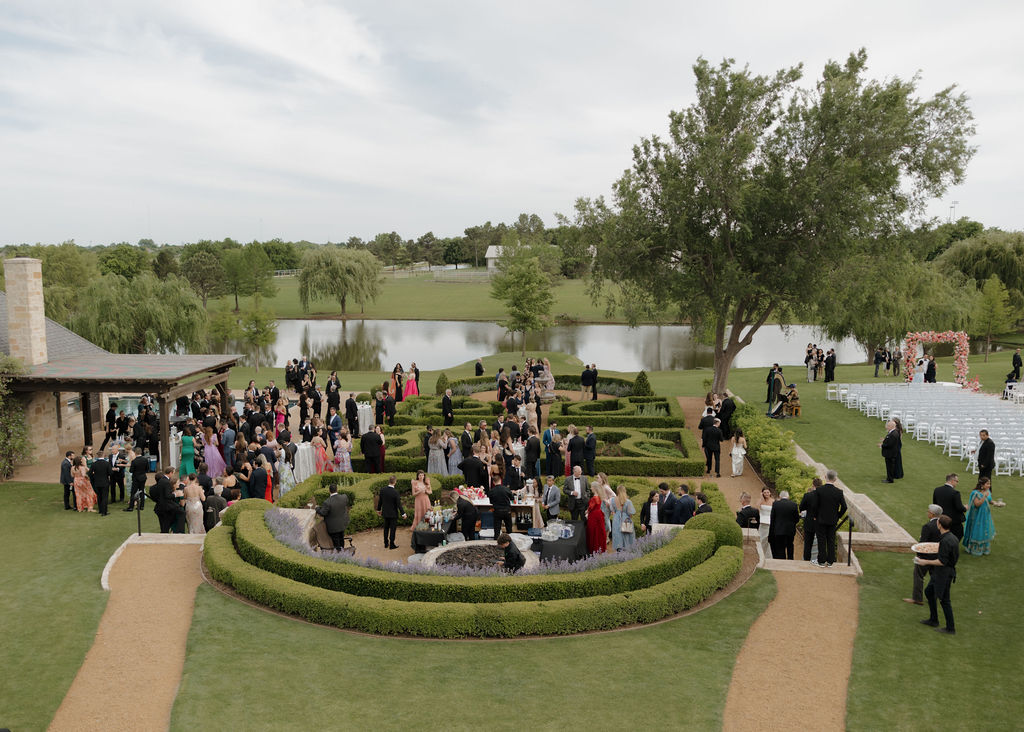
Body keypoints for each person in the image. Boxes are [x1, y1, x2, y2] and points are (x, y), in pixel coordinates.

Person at [917, 515, 959, 634]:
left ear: (939, 525)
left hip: (944, 574)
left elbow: (942, 561)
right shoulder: (952, 538)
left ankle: (950, 628)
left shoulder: (946, 541)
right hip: (941, 572)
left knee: (945, 600)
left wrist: (925, 561)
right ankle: (933, 619)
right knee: (929, 592)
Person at [904, 504, 942, 606]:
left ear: (932, 514)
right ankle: (935, 596)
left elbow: (922, 543)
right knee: (934, 576)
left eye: (928, 511)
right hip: (938, 556)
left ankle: (917, 598)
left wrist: (918, 556)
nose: (927, 513)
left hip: (925, 557)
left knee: (918, 576)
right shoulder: (943, 525)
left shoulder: (927, 526)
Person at [812, 469, 847, 567]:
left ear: (825, 477)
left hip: (820, 520)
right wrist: (838, 516)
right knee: (831, 540)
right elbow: (844, 507)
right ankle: (831, 561)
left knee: (821, 540)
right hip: (832, 520)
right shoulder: (839, 492)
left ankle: (822, 561)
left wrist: (815, 516)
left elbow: (814, 505)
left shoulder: (819, 490)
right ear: (835, 479)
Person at [962, 477, 996, 556]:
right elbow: (977, 504)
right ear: (981, 485)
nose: (989, 485)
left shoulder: (987, 491)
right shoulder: (975, 493)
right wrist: (984, 496)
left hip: (985, 515)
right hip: (976, 516)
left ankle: (983, 548)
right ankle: (974, 549)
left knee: (984, 529)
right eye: (987, 484)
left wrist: (996, 503)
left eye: (989, 483)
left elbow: (990, 500)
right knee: (977, 530)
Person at [932, 473, 967, 541]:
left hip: (941, 518)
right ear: (952, 481)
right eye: (957, 481)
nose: (957, 483)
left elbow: (935, 504)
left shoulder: (937, 490)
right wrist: (965, 508)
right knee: (958, 535)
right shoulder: (955, 493)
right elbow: (959, 507)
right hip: (953, 520)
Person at [317, 484, 351, 550]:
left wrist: (317, 508)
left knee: (336, 543)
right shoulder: (344, 497)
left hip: (333, 527)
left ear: (329, 491)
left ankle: (339, 555)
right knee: (341, 539)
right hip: (342, 524)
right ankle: (342, 552)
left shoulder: (327, 502)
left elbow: (323, 513)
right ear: (337, 489)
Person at [769, 490, 800, 560]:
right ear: (788, 496)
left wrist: (772, 531)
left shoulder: (775, 504)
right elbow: (797, 519)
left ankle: (782, 561)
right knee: (790, 546)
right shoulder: (794, 505)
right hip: (790, 530)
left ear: (780, 496)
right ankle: (790, 560)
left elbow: (772, 518)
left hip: (779, 530)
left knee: (780, 547)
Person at [375, 476, 404, 549]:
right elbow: (398, 504)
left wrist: (378, 510)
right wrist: (403, 513)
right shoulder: (395, 492)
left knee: (386, 528)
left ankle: (385, 543)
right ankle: (391, 544)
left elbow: (380, 501)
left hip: (385, 513)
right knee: (392, 529)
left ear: (389, 481)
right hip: (393, 514)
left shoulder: (382, 490)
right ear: (395, 482)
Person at [800, 478, 821, 562]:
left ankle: (806, 562)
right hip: (821, 522)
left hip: (809, 522)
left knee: (808, 544)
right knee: (821, 543)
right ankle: (820, 561)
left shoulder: (808, 495)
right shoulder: (824, 496)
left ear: (813, 485)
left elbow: (801, 507)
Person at [610, 485, 636, 551]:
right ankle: (627, 549)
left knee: (617, 534)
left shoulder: (612, 500)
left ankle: (619, 549)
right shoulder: (628, 501)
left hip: (616, 519)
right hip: (625, 519)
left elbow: (612, 510)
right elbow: (631, 513)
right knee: (627, 534)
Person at [88, 449, 113, 516]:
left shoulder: (94, 464)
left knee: (99, 496)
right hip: (105, 482)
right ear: (103, 455)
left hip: (97, 482)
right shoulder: (107, 464)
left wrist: (95, 476)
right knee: (105, 497)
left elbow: (89, 473)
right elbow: (111, 473)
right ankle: (104, 512)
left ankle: (100, 510)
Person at [757, 487, 773, 556]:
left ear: (770, 493)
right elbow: (757, 507)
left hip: (769, 521)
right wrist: (761, 498)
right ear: (762, 493)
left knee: (767, 539)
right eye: (765, 492)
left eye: (768, 492)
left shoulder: (773, 501)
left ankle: (767, 554)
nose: (766, 494)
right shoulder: (761, 500)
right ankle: (759, 552)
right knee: (761, 538)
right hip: (762, 520)